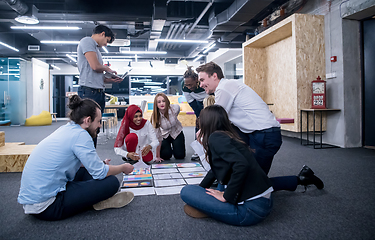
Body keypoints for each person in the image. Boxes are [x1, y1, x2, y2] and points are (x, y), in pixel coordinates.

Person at [196, 61, 324, 191]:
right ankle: (223, 183)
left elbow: (216, 118)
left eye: (202, 80)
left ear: (214, 76)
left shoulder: (224, 87)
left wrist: (202, 133)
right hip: (255, 133)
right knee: (239, 171)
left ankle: (302, 179)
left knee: (254, 185)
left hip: (265, 135)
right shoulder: (229, 85)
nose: (200, 85)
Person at [17, 95, 135, 221]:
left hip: (34, 200)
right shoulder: (81, 135)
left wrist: (99, 164)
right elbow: (100, 173)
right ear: (88, 120)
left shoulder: (67, 128)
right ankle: (96, 201)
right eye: (98, 121)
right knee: (111, 182)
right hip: (48, 206)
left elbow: (71, 161)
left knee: (89, 172)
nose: (100, 125)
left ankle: (93, 198)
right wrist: (123, 167)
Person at [180, 105, 273, 226]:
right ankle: (215, 207)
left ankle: (215, 208)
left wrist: (226, 197)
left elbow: (241, 165)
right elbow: (216, 169)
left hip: (249, 211)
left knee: (186, 191)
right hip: (264, 202)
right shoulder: (228, 135)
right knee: (218, 183)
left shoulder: (215, 138)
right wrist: (202, 189)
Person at [77, 24, 123, 147]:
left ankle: (91, 158)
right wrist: (108, 69)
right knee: (87, 127)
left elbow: (96, 74)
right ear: (102, 34)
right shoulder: (87, 41)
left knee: (95, 128)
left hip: (97, 92)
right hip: (89, 92)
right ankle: (84, 160)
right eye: (107, 41)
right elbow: (95, 66)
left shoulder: (96, 49)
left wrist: (110, 79)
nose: (106, 45)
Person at [182, 66, 208, 161]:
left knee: (210, 122)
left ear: (196, 80)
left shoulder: (203, 84)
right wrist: (199, 115)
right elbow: (191, 102)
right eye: (186, 85)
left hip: (209, 100)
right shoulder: (184, 86)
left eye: (190, 84)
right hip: (197, 102)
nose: (188, 87)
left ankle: (209, 148)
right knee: (199, 123)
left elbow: (211, 95)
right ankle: (198, 150)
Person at [151, 93, 186, 161]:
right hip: (164, 135)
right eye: (159, 102)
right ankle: (169, 149)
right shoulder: (155, 117)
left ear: (167, 101)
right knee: (165, 156)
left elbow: (177, 113)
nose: (162, 103)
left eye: (163, 101)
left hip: (176, 132)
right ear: (156, 104)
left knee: (180, 156)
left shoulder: (175, 108)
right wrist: (157, 156)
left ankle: (176, 148)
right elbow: (158, 137)